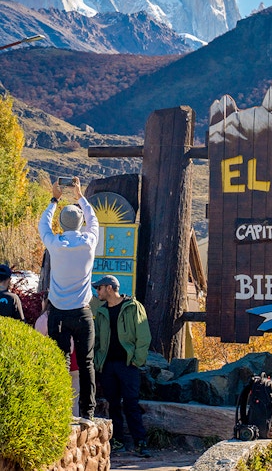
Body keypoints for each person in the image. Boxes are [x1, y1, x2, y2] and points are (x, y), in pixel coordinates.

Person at [38, 176, 99, 425]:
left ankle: (59, 410)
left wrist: (54, 199)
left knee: (59, 362)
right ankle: (87, 414)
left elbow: (43, 224)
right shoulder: (89, 242)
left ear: (61, 225)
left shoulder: (55, 243)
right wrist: (80, 195)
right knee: (86, 364)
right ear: (81, 224)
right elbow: (94, 219)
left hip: (59, 313)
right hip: (82, 313)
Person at [93, 274, 152, 458]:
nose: (97, 292)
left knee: (131, 404)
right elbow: (96, 339)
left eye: (99, 288)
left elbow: (143, 336)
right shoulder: (101, 311)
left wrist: (136, 360)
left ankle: (140, 442)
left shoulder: (133, 307)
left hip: (128, 366)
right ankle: (117, 440)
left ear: (109, 288)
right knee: (113, 405)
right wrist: (97, 361)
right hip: (108, 366)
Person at [35, 292, 80, 416]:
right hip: (74, 361)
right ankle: (74, 425)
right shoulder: (70, 316)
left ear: (45, 301)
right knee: (73, 399)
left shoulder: (43, 320)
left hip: (52, 363)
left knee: (54, 399)